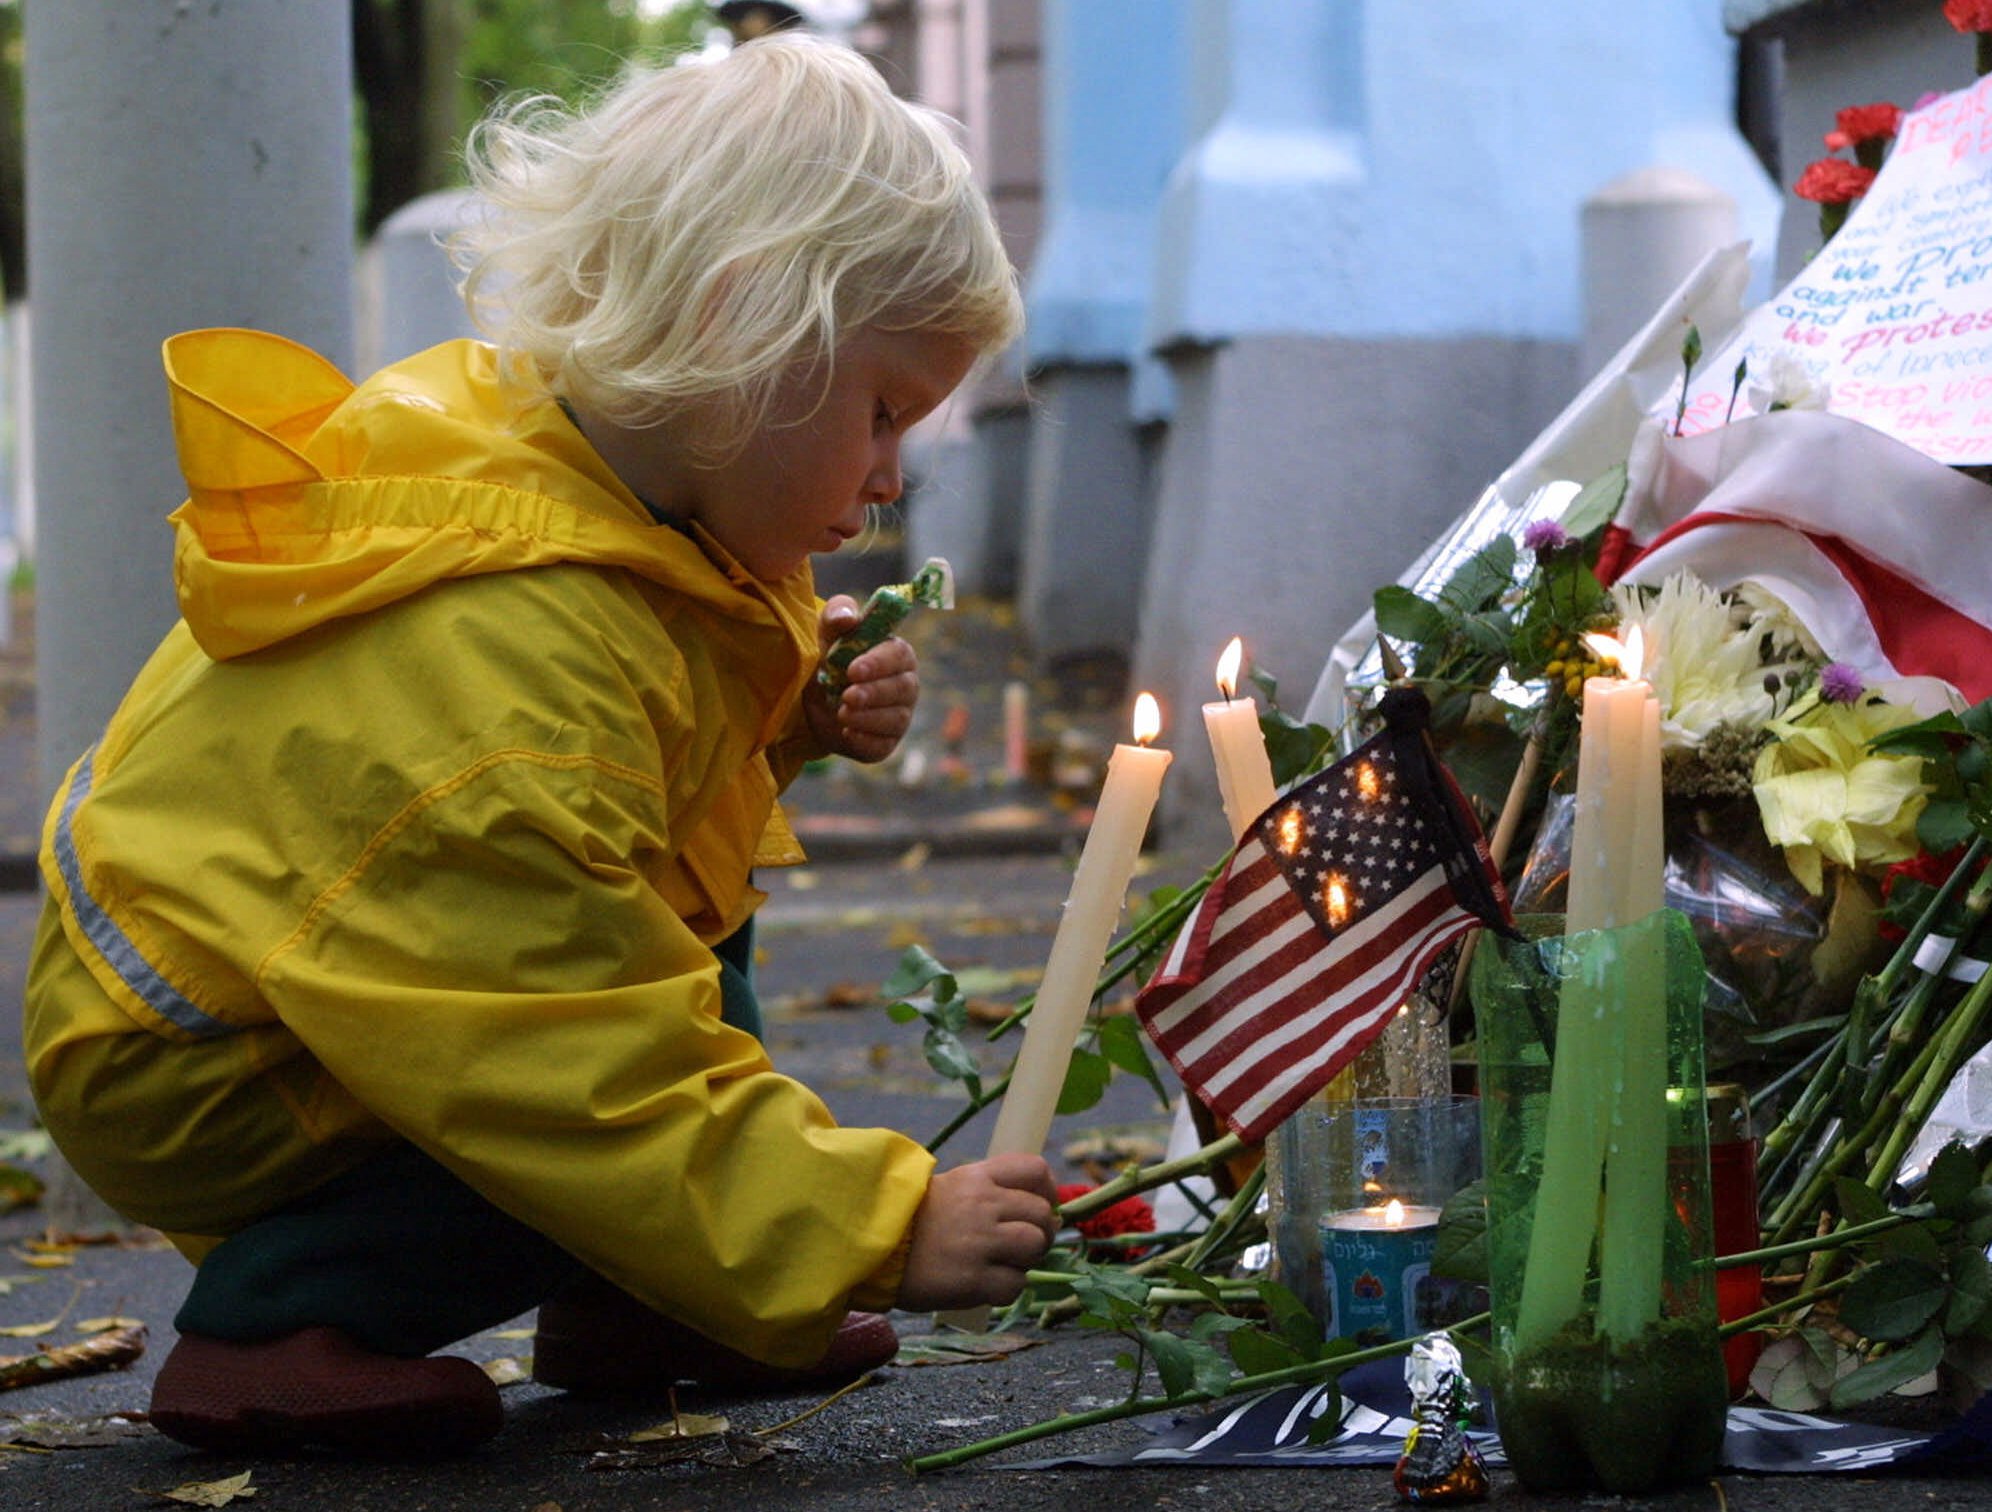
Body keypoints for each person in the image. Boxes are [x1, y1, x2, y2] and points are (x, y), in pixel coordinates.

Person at [22, 33, 1057, 1458]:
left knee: (671, 921)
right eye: (883, 412)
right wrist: (879, 1225)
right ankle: (284, 1322)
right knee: (554, 1096)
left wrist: (786, 721)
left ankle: (647, 1297)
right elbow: (571, 1057)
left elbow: (642, 777)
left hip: (290, 953)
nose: (891, 480)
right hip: (202, 1052)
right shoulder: (505, 672)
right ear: (738, 327)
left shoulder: (577, 468)